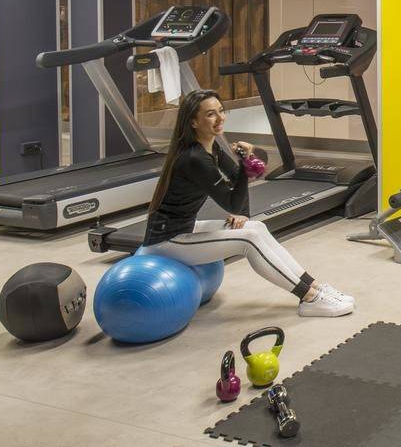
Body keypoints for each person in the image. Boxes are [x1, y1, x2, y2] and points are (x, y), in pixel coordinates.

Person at [140, 89, 354, 317]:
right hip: (166, 241)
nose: (220, 118)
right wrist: (244, 167)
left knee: (256, 228)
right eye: (211, 114)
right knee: (248, 240)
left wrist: (244, 209)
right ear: (193, 122)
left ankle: (314, 286)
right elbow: (232, 200)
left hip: (185, 228)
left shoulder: (211, 147)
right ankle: (308, 297)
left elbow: (237, 180)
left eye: (221, 111)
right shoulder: (194, 158)